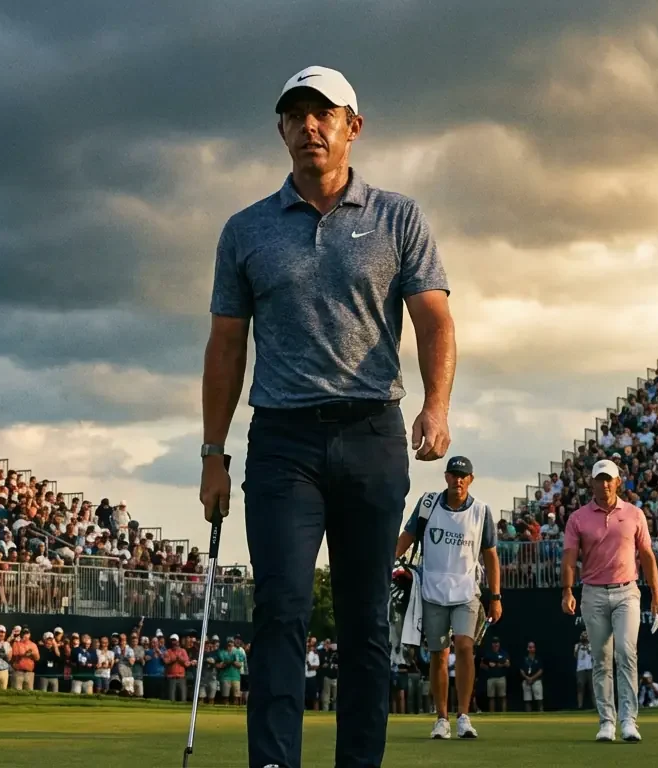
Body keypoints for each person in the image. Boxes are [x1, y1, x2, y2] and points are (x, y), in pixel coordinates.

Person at [200, 64, 455, 768]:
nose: (310, 125)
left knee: (366, 620)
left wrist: (436, 405)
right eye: (296, 114)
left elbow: (434, 320)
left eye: (325, 113)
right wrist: (212, 453)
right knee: (280, 610)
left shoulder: (397, 217)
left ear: (353, 126)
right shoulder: (245, 230)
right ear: (281, 128)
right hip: (282, 440)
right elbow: (226, 346)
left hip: (372, 432)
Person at [393, 456, 499, 739]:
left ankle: (463, 715)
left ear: (471, 479)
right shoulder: (428, 504)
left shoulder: (480, 511)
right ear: (446, 477)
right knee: (439, 655)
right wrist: (387, 562)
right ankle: (441, 718)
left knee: (464, 647)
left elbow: (490, 555)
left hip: (467, 591)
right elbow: (408, 535)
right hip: (432, 590)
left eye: (463, 475)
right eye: (454, 474)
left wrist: (496, 596)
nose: (458, 480)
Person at [561, 459, 658, 743]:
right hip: (592, 593)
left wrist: (656, 595)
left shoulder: (634, 514)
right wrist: (567, 590)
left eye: (609, 479)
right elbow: (570, 557)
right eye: (600, 479)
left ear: (618, 482)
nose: (604, 484)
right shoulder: (578, 518)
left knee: (626, 653)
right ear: (591, 482)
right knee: (602, 659)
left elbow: (646, 556)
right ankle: (607, 722)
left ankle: (628, 720)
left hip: (627, 591)